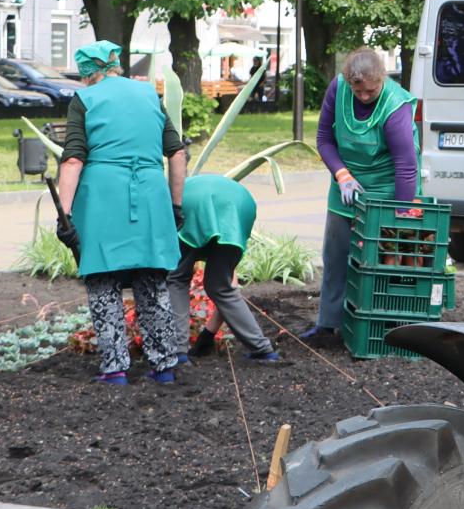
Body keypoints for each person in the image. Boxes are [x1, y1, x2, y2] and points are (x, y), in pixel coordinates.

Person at [55, 39, 188, 385]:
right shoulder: (149, 94)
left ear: (88, 74)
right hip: (151, 197)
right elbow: (176, 153)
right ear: (115, 65)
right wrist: (175, 206)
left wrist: (64, 215)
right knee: (152, 280)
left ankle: (115, 369)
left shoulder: (85, 99)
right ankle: (164, 366)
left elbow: (73, 159)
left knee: (103, 280)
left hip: (102, 199)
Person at [302, 48, 418, 346]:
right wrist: (341, 175)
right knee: (335, 256)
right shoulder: (338, 89)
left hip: (387, 188)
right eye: (358, 90)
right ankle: (328, 324)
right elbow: (324, 139)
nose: (364, 96)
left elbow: (406, 165)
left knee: (382, 260)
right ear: (348, 82)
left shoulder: (394, 104)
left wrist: (402, 213)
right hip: (346, 184)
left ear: (382, 79)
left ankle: (383, 324)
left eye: (371, 90)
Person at [173, 173, 281, 364]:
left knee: (176, 278)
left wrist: (208, 334)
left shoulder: (169, 199)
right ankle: (263, 350)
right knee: (220, 286)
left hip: (193, 205)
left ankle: (178, 353)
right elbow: (229, 284)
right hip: (242, 203)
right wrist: (208, 334)